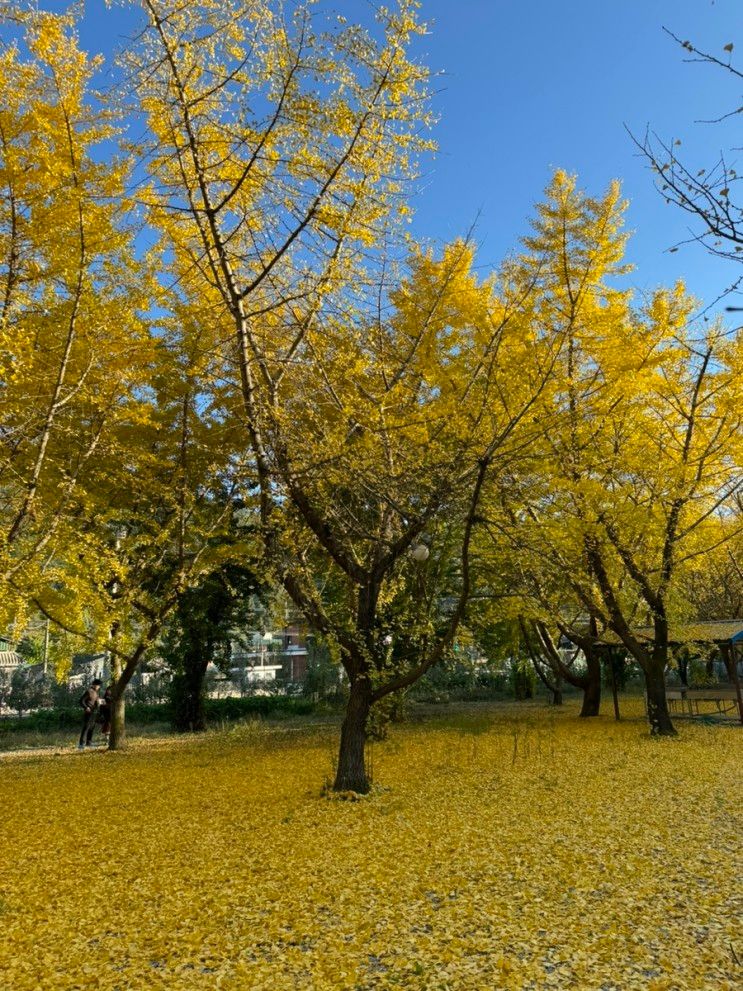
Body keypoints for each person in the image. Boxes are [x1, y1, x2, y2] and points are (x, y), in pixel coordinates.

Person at [77, 678, 102, 749]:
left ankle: (89, 742)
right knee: (86, 728)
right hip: (88, 712)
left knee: (92, 728)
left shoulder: (96, 692)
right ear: (94, 685)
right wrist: (86, 707)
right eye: (98, 685)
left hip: (94, 712)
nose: (98, 687)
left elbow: (96, 702)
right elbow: (81, 701)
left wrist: (100, 702)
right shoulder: (89, 691)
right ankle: (81, 744)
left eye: (99, 686)